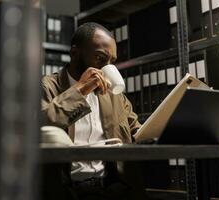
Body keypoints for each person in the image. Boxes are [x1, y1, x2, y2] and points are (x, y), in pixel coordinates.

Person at [41, 22, 146, 200]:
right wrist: (80, 90)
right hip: (67, 190)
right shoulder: (47, 86)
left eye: (111, 61)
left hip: (112, 187)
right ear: (75, 54)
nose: (106, 68)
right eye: (100, 58)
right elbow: (42, 125)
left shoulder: (114, 94)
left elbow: (139, 132)